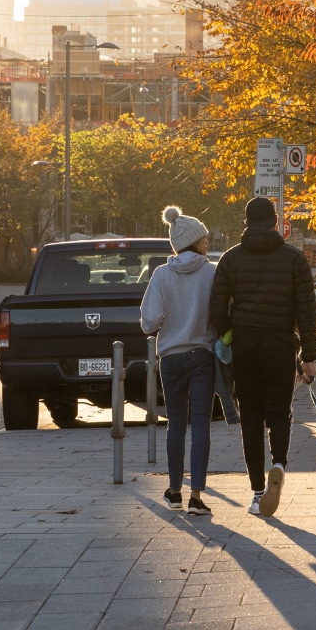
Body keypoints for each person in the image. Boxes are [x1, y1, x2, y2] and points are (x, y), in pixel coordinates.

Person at [209, 197, 316, 518]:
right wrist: (308, 355)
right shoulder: (294, 259)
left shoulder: (230, 259)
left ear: (246, 221)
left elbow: (216, 307)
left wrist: (230, 332)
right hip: (281, 344)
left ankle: (258, 492)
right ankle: (279, 464)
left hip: (244, 344)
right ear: (274, 222)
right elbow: (306, 311)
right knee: (279, 413)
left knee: (251, 418)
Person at [140, 206, 216, 516]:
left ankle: (174, 491)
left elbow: (149, 322)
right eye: (205, 239)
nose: (207, 244)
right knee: (200, 425)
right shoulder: (212, 271)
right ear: (195, 241)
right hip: (202, 356)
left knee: (175, 424)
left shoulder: (161, 274)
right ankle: (197, 496)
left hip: (170, 358)